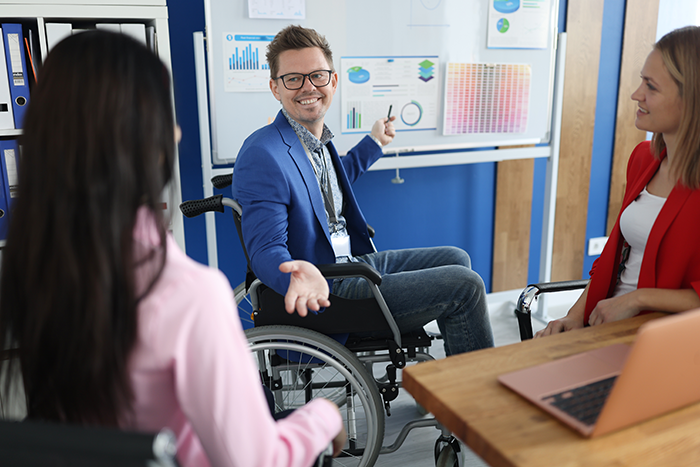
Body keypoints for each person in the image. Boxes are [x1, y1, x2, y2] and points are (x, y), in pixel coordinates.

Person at [0, 30, 345, 467]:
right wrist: (323, 416)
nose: (178, 131)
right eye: (165, 114)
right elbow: (257, 460)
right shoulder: (187, 292)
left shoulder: (37, 269)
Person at [232, 25, 494, 356]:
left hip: (352, 261)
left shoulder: (315, 141)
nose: (308, 87)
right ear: (275, 87)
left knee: (457, 258)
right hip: (332, 285)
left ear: (333, 80)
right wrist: (296, 277)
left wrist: (374, 144)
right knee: (466, 286)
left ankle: (458, 374)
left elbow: (324, 193)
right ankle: (474, 399)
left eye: (317, 76)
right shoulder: (263, 154)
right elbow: (265, 248)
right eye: (293, 79)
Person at [537, 26, 700, 337]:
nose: (636, 94)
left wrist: (638, 299)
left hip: (662, 342)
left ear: (691, 98)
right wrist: (575, 316)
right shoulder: (643, 159)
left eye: (651, 87)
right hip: (604, 328)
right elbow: (613, 258)